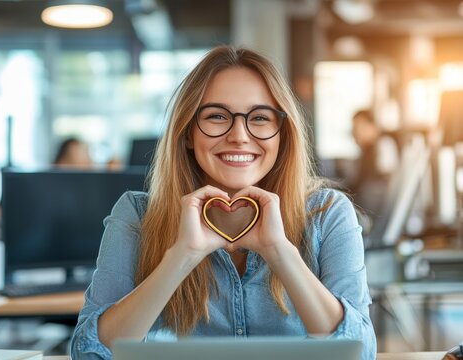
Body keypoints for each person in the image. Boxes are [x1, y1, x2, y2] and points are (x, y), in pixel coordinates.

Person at [70, 46, 376, 360]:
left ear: (282, 134)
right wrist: (181, 257)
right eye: (217, 116)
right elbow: (90, 353)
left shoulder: (327, 214)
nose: (240, 135)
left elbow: (360, 352)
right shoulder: (137, 215)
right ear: (188, 132)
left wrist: (279, 251)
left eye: (260, 117)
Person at [349, 110, 399, 231]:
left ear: (372, 126)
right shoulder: (366, 152)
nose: (355, 133)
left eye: (359, 127)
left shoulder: (384, 145)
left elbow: (388, 181)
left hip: (377, 213)